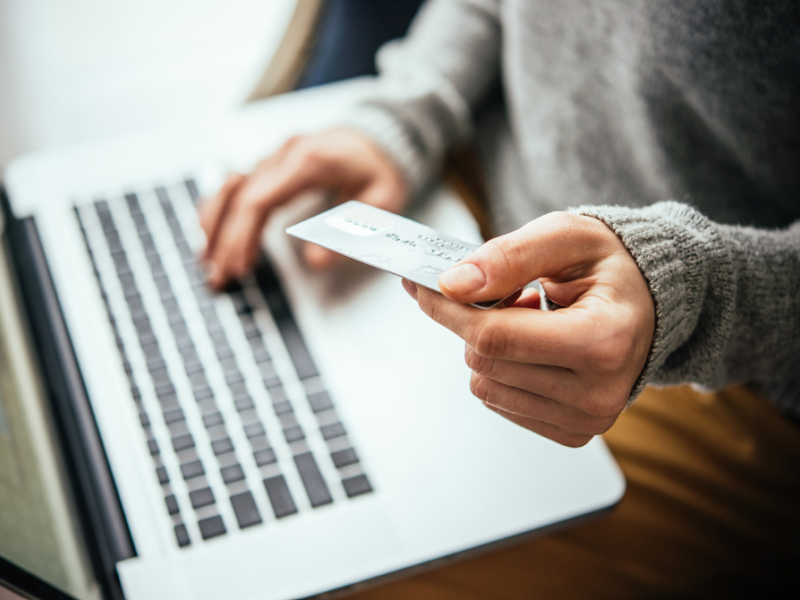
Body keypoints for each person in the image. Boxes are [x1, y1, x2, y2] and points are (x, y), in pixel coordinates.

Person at [200, 1, 800, 597]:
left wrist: (700, 290)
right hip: (463, 173)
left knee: (307, 573)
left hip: (708, 362)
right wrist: (405, 116)